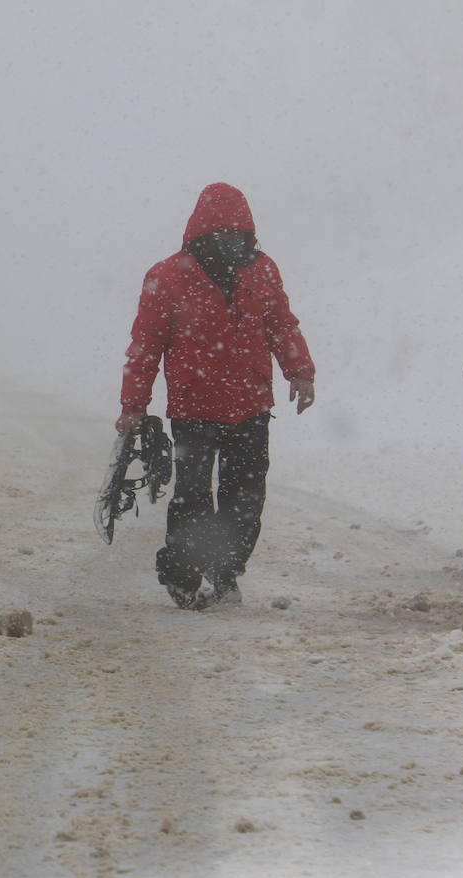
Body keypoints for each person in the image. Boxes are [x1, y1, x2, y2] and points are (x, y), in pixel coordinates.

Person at [116, 182, 316, 609]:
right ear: (201, 234)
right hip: (194, 409)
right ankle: (183, 576)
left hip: (250, 407)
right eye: (221, 235)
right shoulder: (167, 277)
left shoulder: (262, 271)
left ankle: (226, 572)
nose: (230, 244)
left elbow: (282, 324)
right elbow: (145, 346)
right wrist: (133, 405)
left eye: (237, 236)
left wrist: (300, 372)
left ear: (248, 234)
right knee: (192, 498)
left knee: (245, 498)